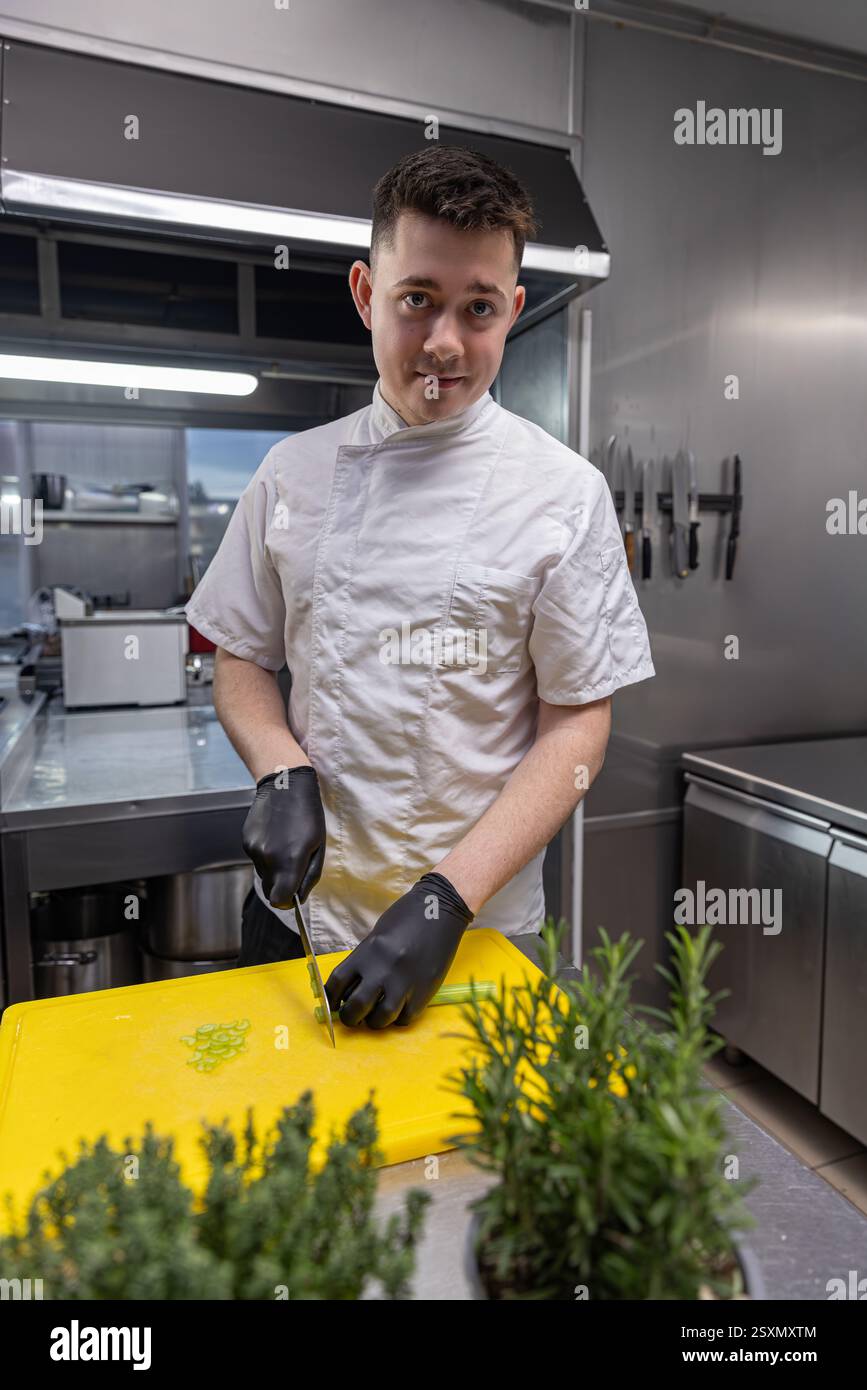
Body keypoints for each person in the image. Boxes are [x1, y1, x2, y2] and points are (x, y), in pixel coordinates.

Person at [184, 143, 655, 1030]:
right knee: (288, 1157)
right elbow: (240, 655)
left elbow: (578, 725)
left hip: (473, 929)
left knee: (466, 1161)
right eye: (417, 301)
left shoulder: (561, 495)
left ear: (511, 312)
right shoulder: (291, 474)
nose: (445, 342)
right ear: (367, 294)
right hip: (297, 920)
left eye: (477, 308)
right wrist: (278, 768)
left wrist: (446, 896)